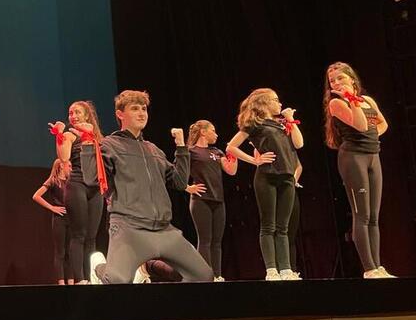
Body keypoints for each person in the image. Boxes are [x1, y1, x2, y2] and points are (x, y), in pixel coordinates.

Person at [85, 90, 213, 284]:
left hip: (164, 230)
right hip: (129, 228)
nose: (141, 113)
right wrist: (87, 144)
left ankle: (154, 286)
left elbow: (179, 182)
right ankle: (99, 269)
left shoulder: (154, 150)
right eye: (134, 109)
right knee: (117, 281)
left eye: (144, 109)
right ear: (120, 114)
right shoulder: (109, 145)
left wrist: (181, 147)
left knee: (203, 276)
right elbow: (91, 179)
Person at [324, 62, 393, 278]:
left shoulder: (368, 101)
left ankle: (378, 266)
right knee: (361, 215)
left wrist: (373, 136)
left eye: (340, 78)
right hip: (353, 158)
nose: (335, 83)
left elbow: (382, 124)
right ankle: (369, 269)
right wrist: (351, 101)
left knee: (373, 215)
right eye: (332, 80)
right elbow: (362, 126)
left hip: (373, 156)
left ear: (352, 79)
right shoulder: (336, 104)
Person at [226, 88, 303, 281]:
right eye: (276, 100)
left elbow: (299, 144)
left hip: (287, 177)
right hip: (267, 176)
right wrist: (256, 161)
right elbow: (231, 147)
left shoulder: (283, 123)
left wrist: (290, 120)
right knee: (269, 225)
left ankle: (285, 269)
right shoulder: (255, 124)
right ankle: (271, 270)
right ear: (264, 103)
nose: (279, 103)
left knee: (283, 227)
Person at [48, 101, 106, 283]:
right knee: (78, 235)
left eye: (77, 112)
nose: (73, 116)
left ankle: (91, 277)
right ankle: (80, 280)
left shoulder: (98, 138)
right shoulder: (70, 134)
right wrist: (59, 135)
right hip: (77, 184)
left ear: (87, 116)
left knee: (91, 237)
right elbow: (63, 157)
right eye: (71, 113)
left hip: (96, 188)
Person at [185, 120, 238, 281]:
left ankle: (217, 275)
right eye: (213, 130)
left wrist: (233, 153)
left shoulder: (217, 151)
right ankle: (206, 276)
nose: (216, 134)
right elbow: (177, 172)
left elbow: (231, 171)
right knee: (205, 240)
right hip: (201, 200)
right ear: (203, 132)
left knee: (217, 241)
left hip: (218, 200)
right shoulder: (191, 151)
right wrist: (188, 187)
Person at [32, 159, 74, 284]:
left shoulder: (71, 182)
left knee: (70, 252)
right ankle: (61, 283)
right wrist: (52, 207)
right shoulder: (53, 181)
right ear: (61, 165)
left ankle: (71, 282)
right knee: (60, 252)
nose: (71, 169)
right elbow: (36, 196)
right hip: (59, 220)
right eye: (70, 166)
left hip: (71, 219)